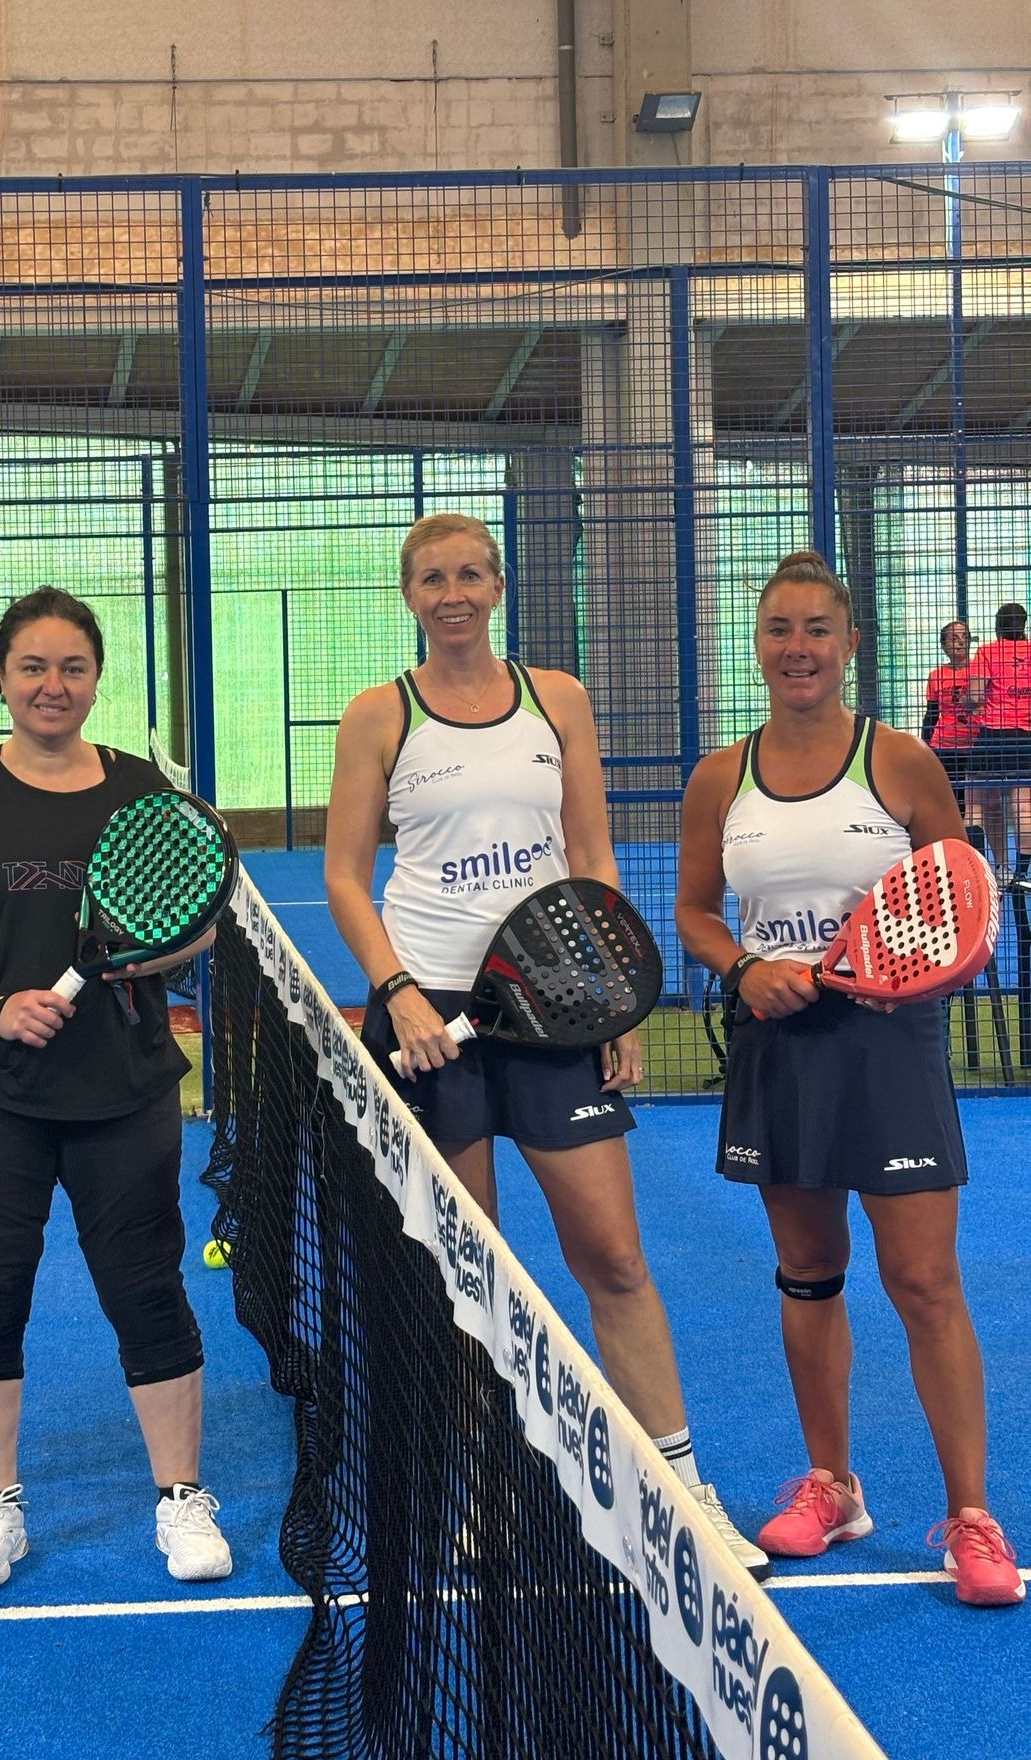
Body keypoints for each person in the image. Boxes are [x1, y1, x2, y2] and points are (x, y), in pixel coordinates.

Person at [323, 512, 766, 1579]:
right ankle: (487, 1488)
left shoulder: (556, 697)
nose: (453, 593)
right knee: (469, 1275)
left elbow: (591, 853)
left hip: (557, 1006)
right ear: (409, 594)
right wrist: (397, 993)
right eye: (433, 577)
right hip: (429, 1021)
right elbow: (345, 875)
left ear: (499, 584)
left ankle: (681, 1492)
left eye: (470, 573)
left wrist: (615, 1004)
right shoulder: (379, 713)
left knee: (613, 1255)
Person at [675, 550, 1023, 1607]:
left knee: (923, 1278)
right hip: (777, 1045)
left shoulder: (904, 762)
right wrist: (745, 968)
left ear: (851, 644)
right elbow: (695, 911)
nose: (799, 649)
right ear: (758, 646)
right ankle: (833, 1485)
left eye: (817, 629)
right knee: (809, 1269)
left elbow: (958, 894)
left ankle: (972, 1517)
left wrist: (893, 976)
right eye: (779, 629)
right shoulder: (720, 777)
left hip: (889, 1047)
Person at [0, 586, 230, 1592]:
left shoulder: (143, 792)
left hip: (121, 1081)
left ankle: (181, 1497)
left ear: (95, 679)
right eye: (33, 666)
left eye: (72, 667)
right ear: (2, 678)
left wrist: (153, 952)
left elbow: (198, 921)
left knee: (146, 1283)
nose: (53, 684)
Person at [966, 600, 1031, 874]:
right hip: (1025, 735)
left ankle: (984, 871)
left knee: (975, 802)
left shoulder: (988, 652)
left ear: (997, 626)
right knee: (1023, 804)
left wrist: (971, 704)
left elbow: (975, 696)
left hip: (992, 733)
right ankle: (1020, 875)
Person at [921, 620, 981, 835]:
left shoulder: (980, 670)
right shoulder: (937, 675)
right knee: (949, 800)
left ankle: (973, 850)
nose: (960, 642)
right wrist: (925, 746)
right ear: (943, 645)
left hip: (974, 745)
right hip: (944, 745)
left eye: (965, 637)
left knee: (974, 805)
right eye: (954, 638)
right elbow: (931, 714)